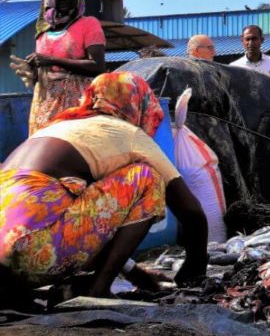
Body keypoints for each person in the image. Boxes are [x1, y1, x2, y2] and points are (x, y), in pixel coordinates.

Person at [0, 72, 208, 302]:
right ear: (138, 104)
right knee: (148, 178)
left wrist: (134, 272)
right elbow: (190, 210)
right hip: (32, 252)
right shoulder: (126, 133)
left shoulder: (56, 127)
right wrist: (196, 264)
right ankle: (98, 289)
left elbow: (93, 223)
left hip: (6, 262)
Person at [26, 0, 107, 135]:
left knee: (71, 142)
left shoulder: (88, 24)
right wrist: (32, 72)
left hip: (76, 101)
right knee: (43, 142)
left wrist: (51, 60)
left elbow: (98, 66)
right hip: (44, 103)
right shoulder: (42, 33)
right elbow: (45, 69)